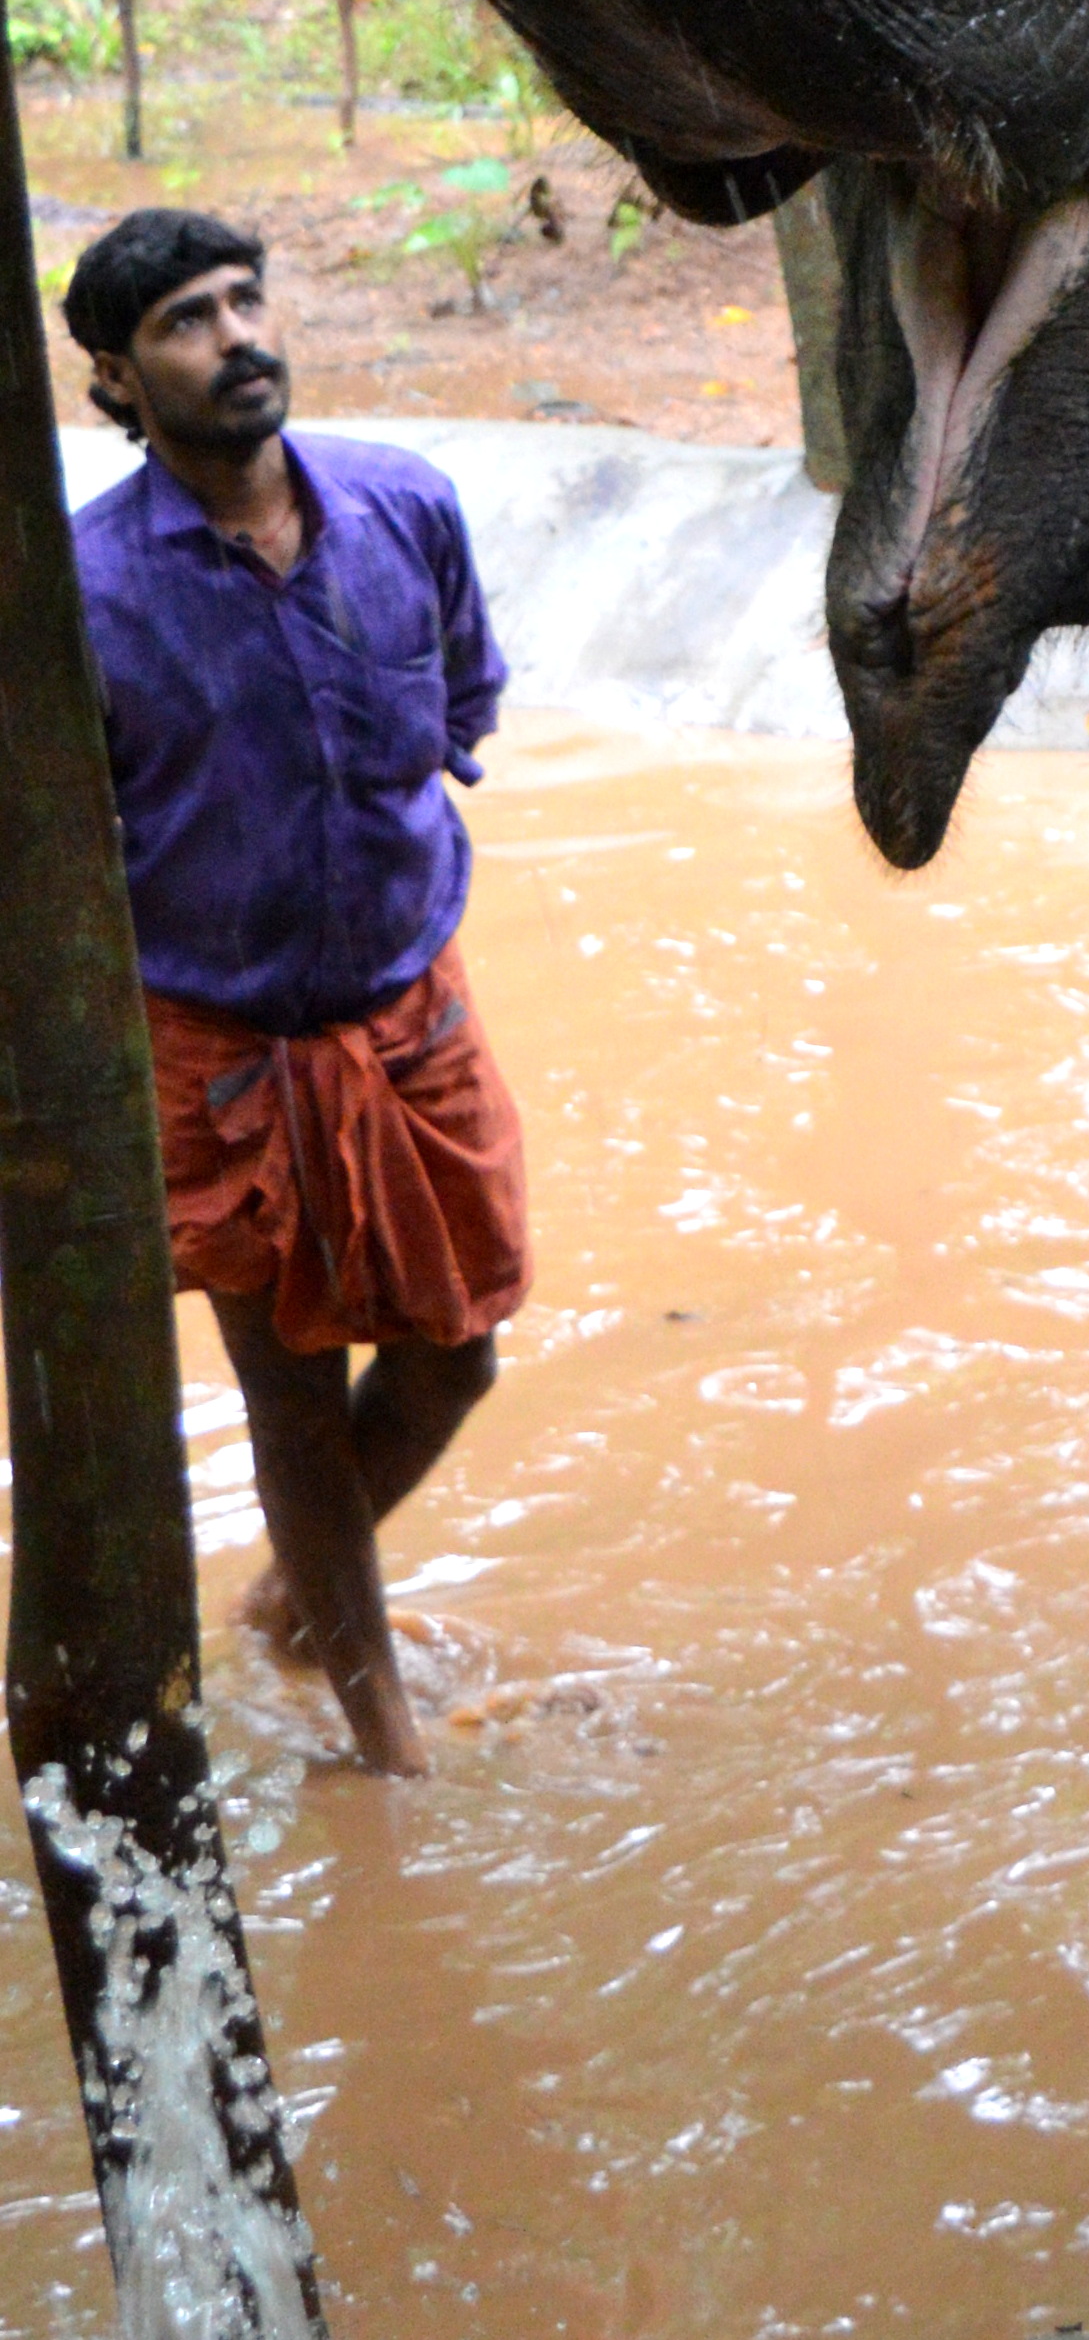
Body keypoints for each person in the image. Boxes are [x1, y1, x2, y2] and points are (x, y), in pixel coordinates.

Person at [66, 209, 527, 1777]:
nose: (237, 334)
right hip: (221, 1039)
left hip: (411, 1011)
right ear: (120, 385)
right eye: (187, 322)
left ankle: (284, 1607)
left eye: (246, 299)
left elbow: (463, 696)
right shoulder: (89, 596)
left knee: (461, 1349)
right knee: (291, 1396)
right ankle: (381, 1728)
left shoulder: (405, 505)